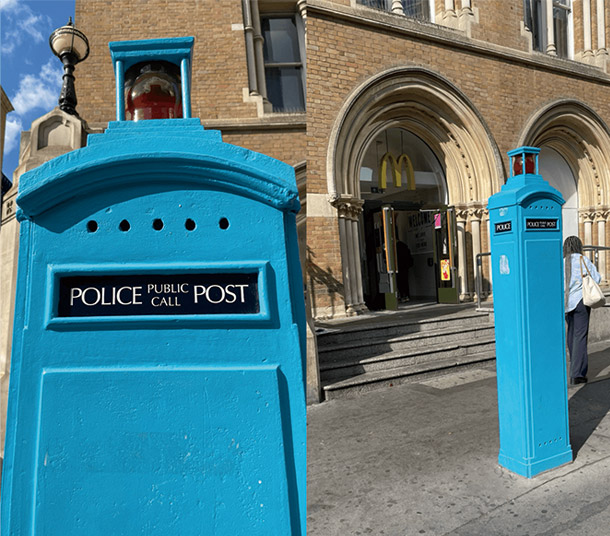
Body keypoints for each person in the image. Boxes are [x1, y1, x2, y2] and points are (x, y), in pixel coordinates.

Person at [564, 235, 601, 385]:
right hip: (581, 302)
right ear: (579, 246)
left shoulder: (562, 261)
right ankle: (577, 374)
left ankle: (574, 364)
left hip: (566, 303)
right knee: (580, 336)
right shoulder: (582, 260)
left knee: (571, 334)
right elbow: (597, 278)